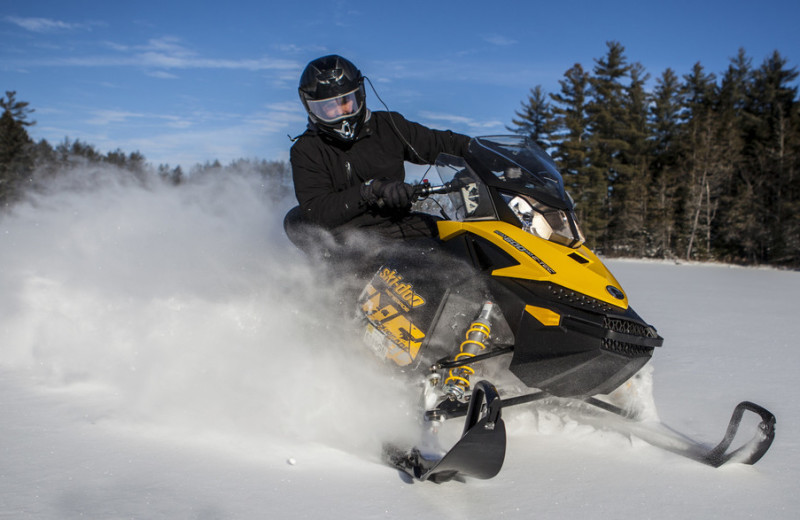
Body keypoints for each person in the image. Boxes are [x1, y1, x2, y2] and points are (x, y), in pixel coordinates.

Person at [285, 55, 471, 250]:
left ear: (360, 95)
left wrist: (481, 150)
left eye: (346, 102)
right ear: (312, 108)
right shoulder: (307, 149)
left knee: (465, 241)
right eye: (329, 107)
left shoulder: (389, 126)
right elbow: (318, 210)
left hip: (400, 224)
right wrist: (370, 190)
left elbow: (438, 143)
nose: (342, 112)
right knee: (430, 269)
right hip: (350, 239)